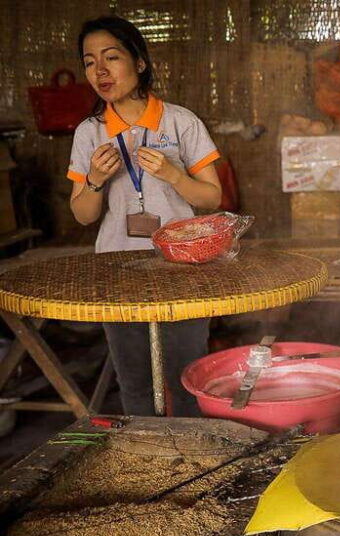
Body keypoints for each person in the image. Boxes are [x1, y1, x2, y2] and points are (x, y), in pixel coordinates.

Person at [67, 16, 222, 416]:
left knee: (187, 380)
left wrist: (173, 174)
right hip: (118, 268)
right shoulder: (89, 132)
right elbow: (83, 214)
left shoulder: (180, 121)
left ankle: (193, 466)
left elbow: (212, 198)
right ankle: (147, 469)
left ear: (138, 63)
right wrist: (96, 181)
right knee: (134, 382)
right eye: (89, 62)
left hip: (182, 267)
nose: (100, 71)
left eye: (111, 57)